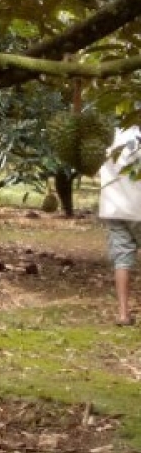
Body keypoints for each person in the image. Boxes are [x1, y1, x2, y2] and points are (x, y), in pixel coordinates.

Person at [98, 116, 141, 326]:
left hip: (114, 207)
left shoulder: (109, 136)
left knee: (121, 260)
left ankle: (123, 314)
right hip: (139, 206)